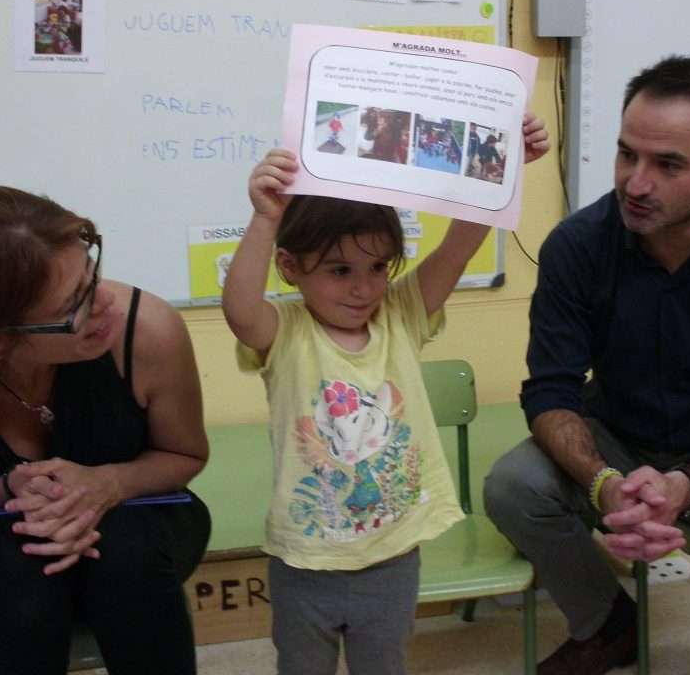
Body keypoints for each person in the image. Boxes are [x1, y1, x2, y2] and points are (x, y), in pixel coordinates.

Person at [483, 56, 690, 675]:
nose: (636, 183)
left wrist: (686, 483)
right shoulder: (577, 246)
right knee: (512, 486)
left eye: (668, 164)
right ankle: (608, 623)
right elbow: (551, 391)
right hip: (616, 433)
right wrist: (605, 482)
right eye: (626, 154)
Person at [222, 115, 548, 675]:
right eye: (340, 270)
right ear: (290, 266)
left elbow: (459, 247)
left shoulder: (400, 313)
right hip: (306, 563)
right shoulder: (287, 331)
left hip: (393, 561)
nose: (364, 286)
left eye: (378, 267)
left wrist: (503, 167)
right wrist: (265, 218)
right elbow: (238, 311)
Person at [0, 185, 211, 675]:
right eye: (74, 304)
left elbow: (185, 455)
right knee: (21, 565)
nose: (106, 301)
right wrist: (13, 486)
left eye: (93, 274)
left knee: (124, 555)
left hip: (144, 511)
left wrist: (108, 483)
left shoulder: (146, 328)